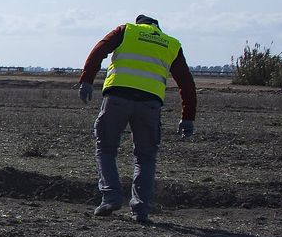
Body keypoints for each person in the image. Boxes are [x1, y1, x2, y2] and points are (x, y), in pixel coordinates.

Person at [77, 15, 197, 223]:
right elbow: (186, 83)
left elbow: (99, 50)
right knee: (145, 158)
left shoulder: (126, 31)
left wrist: (87, 80)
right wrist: (187, 117)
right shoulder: (171, 44)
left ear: (140, 23)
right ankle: (140, 210)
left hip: (117, 98)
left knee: (105, 148)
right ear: (157, 28)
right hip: (150, 105)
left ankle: (111, 197)